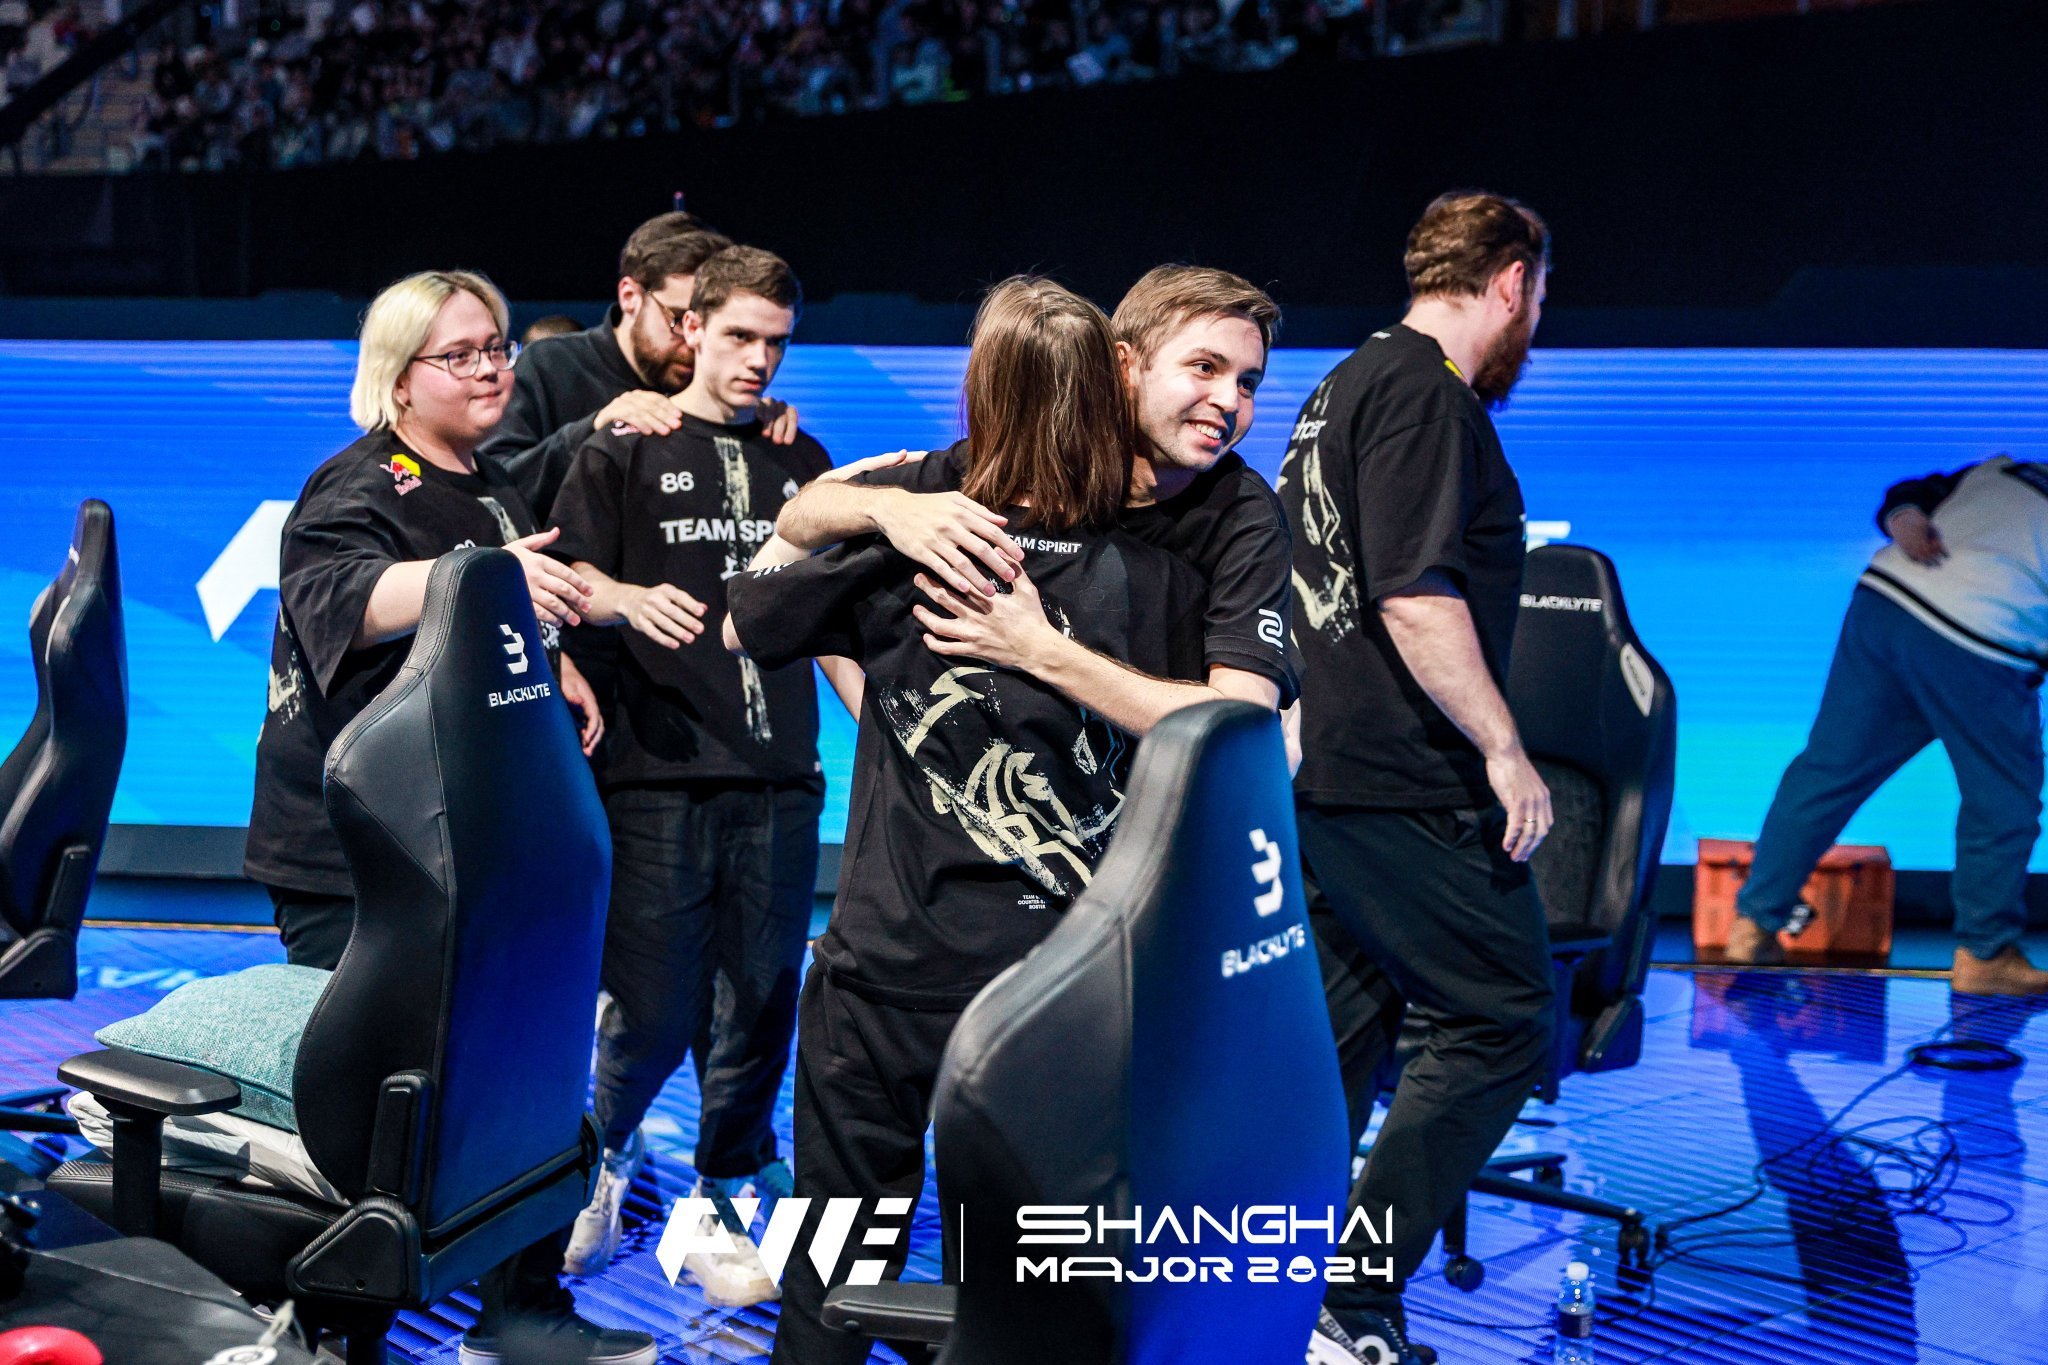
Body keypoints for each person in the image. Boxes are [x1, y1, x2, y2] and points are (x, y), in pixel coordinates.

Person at [724, 277, 1209, 1365]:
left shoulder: (907, 553)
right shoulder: (1164, 580)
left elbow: (746, 616)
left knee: (831, 1277)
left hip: (888, 973)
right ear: (1107, 397)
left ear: (980, 399)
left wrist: (871, 504)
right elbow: (1226, 729)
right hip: (1065, 991)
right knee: (1031, 1296)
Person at [239, 269, 650, 1365]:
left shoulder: (492, 483)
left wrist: (550, 663)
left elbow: (486, 620)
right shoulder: (353, 485)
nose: (489, 369)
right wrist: (483, 581)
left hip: (470, 850)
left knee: (520, 1082)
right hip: (360, 858)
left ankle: (519, 1313)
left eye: (497, 347)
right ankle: (326, 1328)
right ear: (398, 376)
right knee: (377, 1113)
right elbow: (347, 602)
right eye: (459, 354)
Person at [1283, 191, 1554, 1365]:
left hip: (1336, 772)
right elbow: (1408, 592)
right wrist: (1501, 746)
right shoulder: (1422, 395)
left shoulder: (1341, 385)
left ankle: (1289, 1292)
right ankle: (1351, 1291)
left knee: (1342, 1037)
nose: (1532, 321)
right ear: (1509, 282)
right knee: (1501, 1017)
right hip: (1406, 774)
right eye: (1536, 297)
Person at [546, 245, 847, 1301]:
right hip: (656, 768)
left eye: (776, 342)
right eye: (739, 337)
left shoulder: (804, 459)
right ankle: (604, 1152)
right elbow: (560, 573)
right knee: (650, 1001)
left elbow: (833, 614)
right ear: (692, 330)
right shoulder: (623, 446)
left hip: (779, 771)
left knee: (761, 995)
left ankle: (724, 1182)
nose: (758, 359)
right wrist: (626, 597)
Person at [772, 264, 1297, 733]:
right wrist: (887, 508)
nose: (1230, 400)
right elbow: (799, 518)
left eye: (1248, 383)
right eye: (1205, 367)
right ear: (1124, 365)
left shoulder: (1244, 513)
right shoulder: (1032, 460)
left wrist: (1037, 649)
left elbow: (1242, 722)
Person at [1728, 456, 2048, 994]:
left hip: (1887, 601)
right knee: (2003, 801)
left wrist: (1902, 515)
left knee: (1828, 771)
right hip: (1982, 636)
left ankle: (1752, 926)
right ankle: (1986, 954)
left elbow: (1909, 494)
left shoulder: (2005, 468)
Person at [478, 210, 802, 523]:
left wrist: (750, 424)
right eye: (679, 319)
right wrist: (592, 429)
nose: (694, 341)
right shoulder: (551, 365)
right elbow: (491, 490)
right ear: (630, 296)